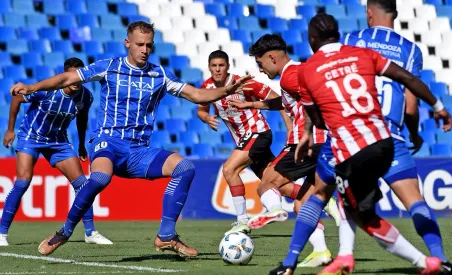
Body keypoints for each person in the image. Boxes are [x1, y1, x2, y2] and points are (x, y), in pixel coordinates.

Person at [10, 21, 251, 257]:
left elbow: (197, 94)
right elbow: (66, 79)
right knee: (100, 178)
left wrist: (227, 90)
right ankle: (64, 232)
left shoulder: (160, 74)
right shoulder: (109, 67)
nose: (145, 50)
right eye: (140, 44)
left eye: (149, 45)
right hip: (107, 142)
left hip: (138, 151)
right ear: (128, 43)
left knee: (185, 168)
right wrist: (33, 87)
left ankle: (166, 235)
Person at [270, 13, 451, 275]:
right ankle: (436, 256)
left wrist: (309, 132)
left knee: (331, 198)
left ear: (312, 39)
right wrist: (438, 107)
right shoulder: (363, 56)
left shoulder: (311, 68)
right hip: (386, 139)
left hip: (347, 146)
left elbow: (316, 117)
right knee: (400, 200)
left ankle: (425, 264)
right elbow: (409, 84)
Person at [339, 1, 452, 274]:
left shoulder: (349, 41)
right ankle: (439, 258)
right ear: (394, 14)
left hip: (357, 136)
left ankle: (341, 256)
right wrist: (415, 133)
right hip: (392, 137)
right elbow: (410, 106)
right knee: (415, 202)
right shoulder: (410, 50)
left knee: (345, 200)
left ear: (369, 13)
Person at [230, 34, 341, 267]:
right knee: (303, 204)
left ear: (271, 57)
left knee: (267, 182)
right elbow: (285, 101)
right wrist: (251, 104)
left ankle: (276, 209)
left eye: (260, 64)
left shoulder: (291, 74)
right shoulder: (294, 76)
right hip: (324, 144)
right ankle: (321, 252)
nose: (260, 70)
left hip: (306, 141)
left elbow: (318, 93)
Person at [0, 58, 112, 246]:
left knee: (83, 184)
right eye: (71, 77)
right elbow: (18, 98)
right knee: (22, 182)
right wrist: (10, 130)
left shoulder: (85, 96)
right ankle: (2, 233)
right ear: (64, 76)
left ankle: (90, 232)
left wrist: (82, 145)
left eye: (79, 77)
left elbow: (82, 119)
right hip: (31, 137)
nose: (76, 81)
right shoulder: (47, 91)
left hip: (57, 141)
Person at [198, 50, 292, 235]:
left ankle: (242, 221)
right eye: (214, 66)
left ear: (228, 67)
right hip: (245, 140)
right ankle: (314, 198)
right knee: (272, 181)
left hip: (258, 133)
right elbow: (201, 109)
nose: (217, 69)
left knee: (229, 169)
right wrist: (206, 118)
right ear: (209, 67)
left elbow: (276, 98)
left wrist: (289, 125)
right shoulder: (207, 87)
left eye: (221, 65)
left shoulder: (242, 83)